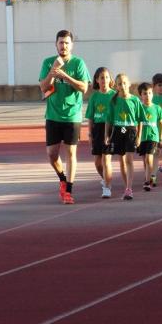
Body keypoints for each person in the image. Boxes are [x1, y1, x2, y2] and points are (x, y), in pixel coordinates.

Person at [38, 30, 90, 205]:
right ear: (56, 44)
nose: (64, 46)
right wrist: (53, 71)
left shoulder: (78, 63)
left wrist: (65, 76)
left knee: (71, 153)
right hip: (53, 115)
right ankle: (62, 177)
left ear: (71, 45)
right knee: (51, 154)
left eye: (67, 43)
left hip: (72, 116)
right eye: (61, 42)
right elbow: (43, 88)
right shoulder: (48, 63)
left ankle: (69, 190)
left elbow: (84, 88)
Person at [105, 73, 146, 200]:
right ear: (116, 86)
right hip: (118, 130)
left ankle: (129, 188)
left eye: (124, 83)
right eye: (119, 84)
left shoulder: (135, 100)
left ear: (128, 84)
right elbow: (109, 120)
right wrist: (107, 135)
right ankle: (126, 186)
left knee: (129, 159)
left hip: (130, 130)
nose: (122, 86)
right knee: (121, 160)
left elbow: (140, 120)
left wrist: (139, 136)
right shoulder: (114, 100)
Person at [85, 67, 115, 198]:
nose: (104, 80)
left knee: (106, 159)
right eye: (101, 77)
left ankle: (107, 188)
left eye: (107, 77)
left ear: (110, 79)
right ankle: (106, 178)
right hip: (97, 129)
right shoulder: (94, 97)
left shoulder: (114, 95)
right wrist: (90, 133)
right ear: (97, 80)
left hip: (110, 128)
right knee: (97, 162)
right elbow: (90, 117)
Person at [137, 82, 162, 191]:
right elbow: (136, 123)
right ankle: (150, 176)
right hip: (142, 137)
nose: (147, 96)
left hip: (153, 137)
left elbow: (161, 123)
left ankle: (147, 182)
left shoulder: (157, 108)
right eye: (144, 94)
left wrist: (161, 137)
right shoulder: (139, 108)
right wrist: (136, 137)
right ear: (141, 95)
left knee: (149, 158)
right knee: (145, 160)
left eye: (149, 93)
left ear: (152, 94)